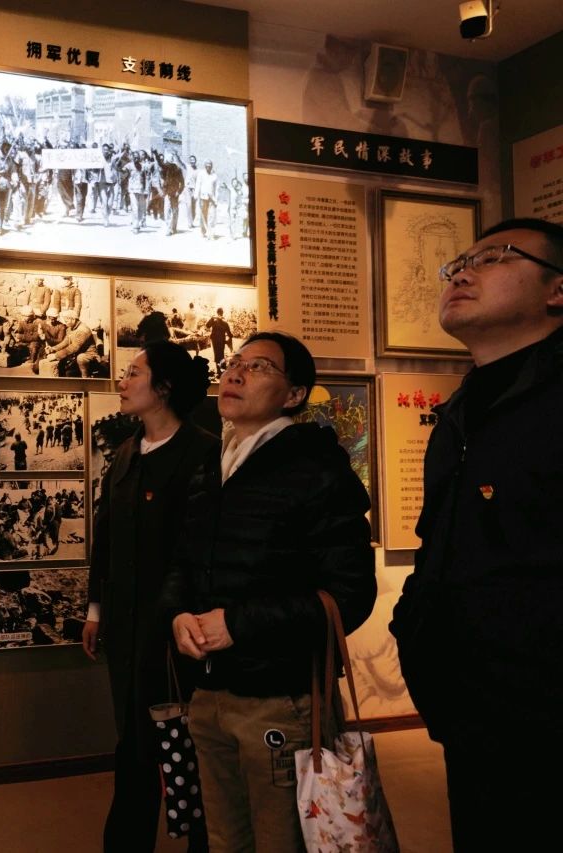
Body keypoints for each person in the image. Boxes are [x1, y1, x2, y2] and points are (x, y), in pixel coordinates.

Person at [161, 331, 375, 853]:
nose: (235, 372)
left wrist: (236, 624)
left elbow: (350, 594)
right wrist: (178, 613)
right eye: (234, 362)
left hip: (280, 699)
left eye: (258, 366)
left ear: (294, 394)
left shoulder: (316, 468)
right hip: (208, 693)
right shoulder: (213, 464)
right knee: (223, 840)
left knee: (282, 841)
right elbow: (184, 560)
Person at [390, 218, 563, 851]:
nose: (463, 271)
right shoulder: (462, 411)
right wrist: (415, 629)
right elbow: (440, 539)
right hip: (472, 709)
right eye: (459, 262)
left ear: (557, 290)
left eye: (495, 257)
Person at [83, 341, 216, 853]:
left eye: (134, 373)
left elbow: (199, 549)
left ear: (163, 387)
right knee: (134, 743)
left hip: (179, 631)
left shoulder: (203, 452)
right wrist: (95, 609)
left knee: (187, 744)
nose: (122, 381)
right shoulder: (125, 452)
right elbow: (106, 537)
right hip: (125, 627)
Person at [203, 307, 233, 377]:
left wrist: (212, 319)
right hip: (221, 340)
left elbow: (207, 326)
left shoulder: (213, 319)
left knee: (217, 354)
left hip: (215, 340)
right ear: (222, 313)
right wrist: (229, 340)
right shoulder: (224, 322)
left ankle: (219, 370)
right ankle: (221, 369)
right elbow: (229, 334)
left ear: (217, 312)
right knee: (221, 353)